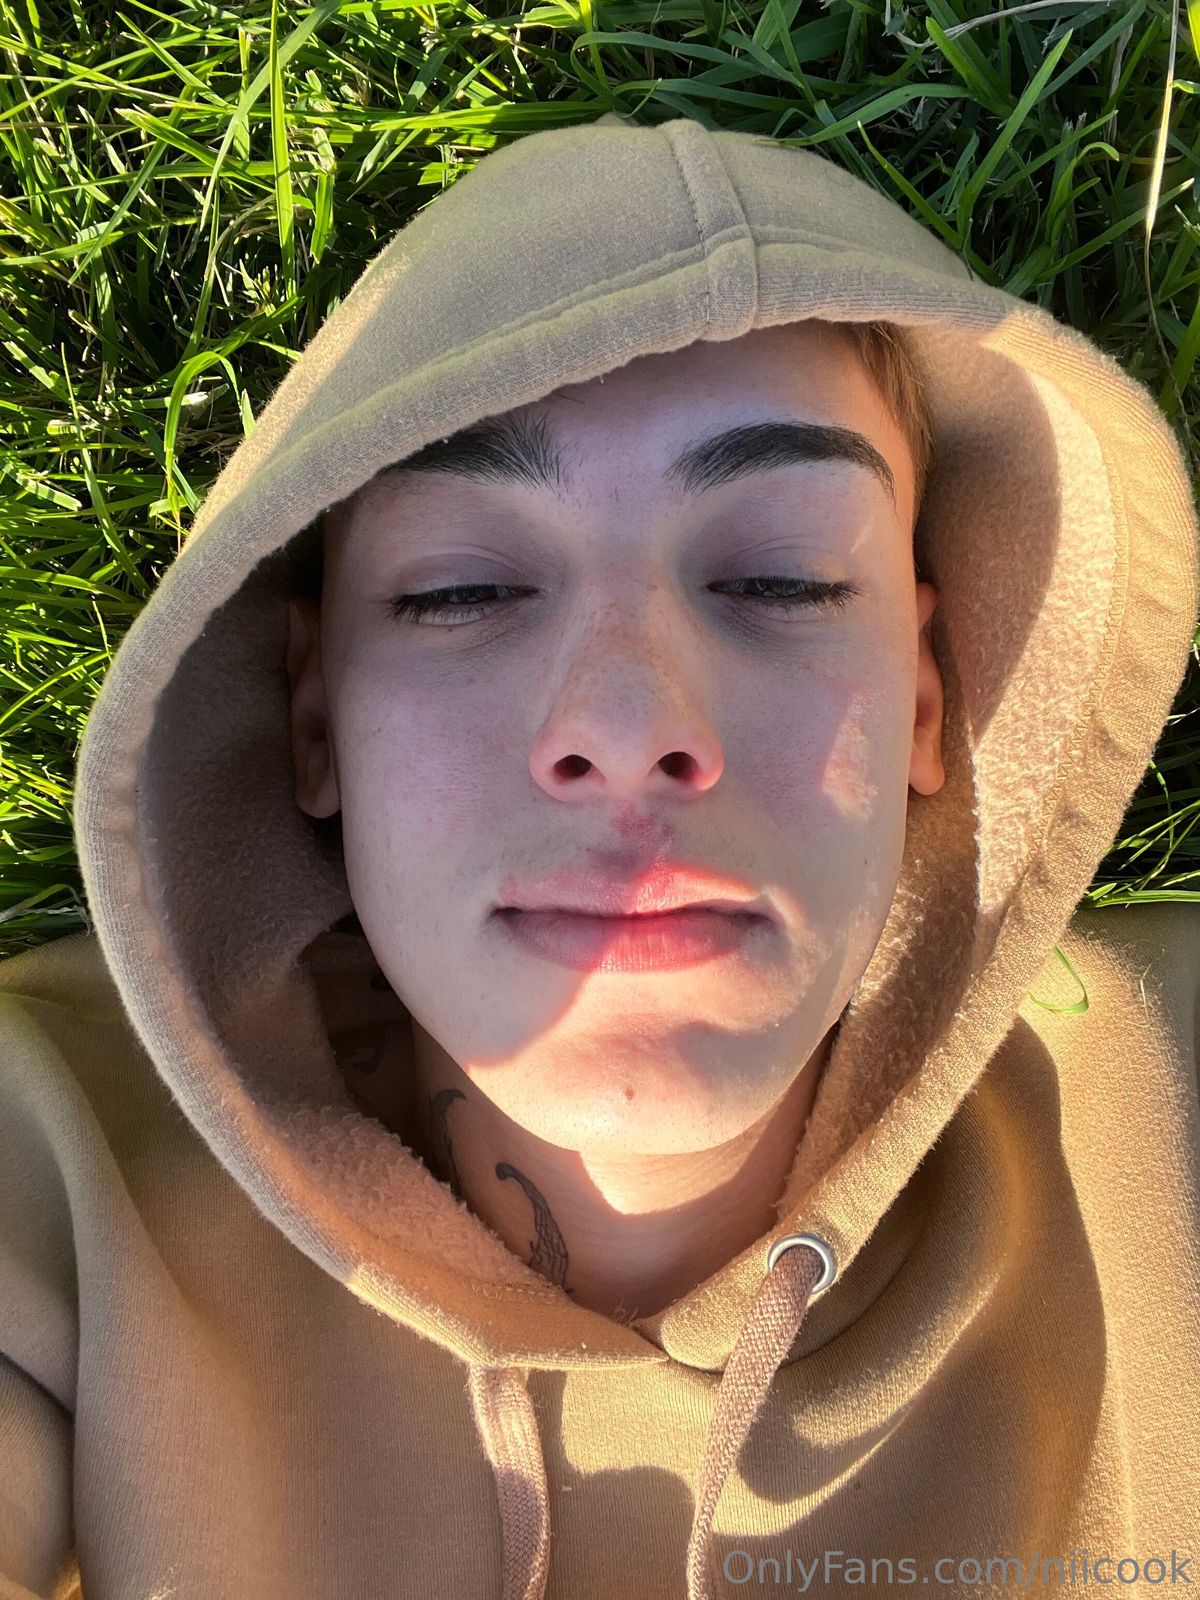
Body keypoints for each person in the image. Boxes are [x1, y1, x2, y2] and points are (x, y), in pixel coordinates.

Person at [1, 111, 1197, 1600]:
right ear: (315, 720)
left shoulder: (1171, 1106)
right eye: (465, 590)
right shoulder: (52, 1158)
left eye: (780, 579)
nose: (628, 728)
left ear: (924, 699)